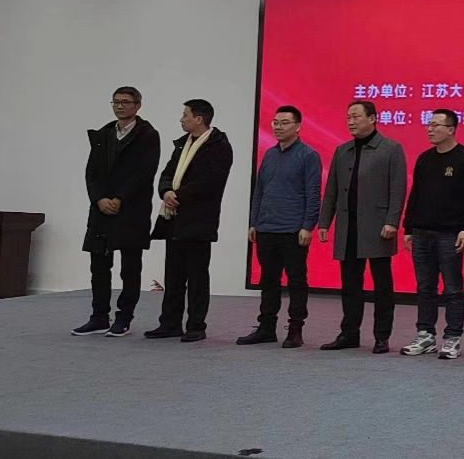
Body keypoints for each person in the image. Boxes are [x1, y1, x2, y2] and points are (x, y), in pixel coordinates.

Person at [317, 101, 407, 353]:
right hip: (348, 226)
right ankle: (349, 333)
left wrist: (392, 221)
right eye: (348, 117)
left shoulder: (390, 149)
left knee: (382, 285)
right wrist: (325, 222)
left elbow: (398, 189)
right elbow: (331, 190)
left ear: (373, 118)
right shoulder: (342, 150)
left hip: (378, 226)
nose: (351, 121)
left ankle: (382, 336)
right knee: (350, 284)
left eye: (356, 116)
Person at [72, 86, 161, 338]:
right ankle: (99, 316)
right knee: (99, 265)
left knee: (130, 267)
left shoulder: (148, 135)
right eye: (116, 102)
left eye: (125, 102)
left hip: (132, 209)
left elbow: (145, 172)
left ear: (137, 105)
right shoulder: (103, 134)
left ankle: (124, 318)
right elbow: (91, 173)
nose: (120, 106)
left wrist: (120, 198)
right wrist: (99, 198)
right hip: (101, 210)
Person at [144, 99, 234, 343]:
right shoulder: (183, 143)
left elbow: (211, 182)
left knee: (197, 277)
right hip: (174, 219)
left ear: (199, 119)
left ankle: (196, 325)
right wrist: (166, 191)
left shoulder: (219, 146)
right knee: (173, 275)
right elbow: (167, 173)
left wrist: (178, 195)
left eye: (185, 115)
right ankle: (170, 323)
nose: (181, 119)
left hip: (199, 220)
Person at [399, 109, 464, 360]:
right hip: (421, 232)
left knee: (453, 288)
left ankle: (452, 337)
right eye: (429, 124)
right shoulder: (425, 158)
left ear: (451, 129)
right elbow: (415, 195)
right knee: (425, 287)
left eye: (436, 125)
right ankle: (425, 335)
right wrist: (408, 228)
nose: (430, 129)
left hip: (449, 234)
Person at [237, 105, 321, 349]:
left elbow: (313, 194)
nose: (278, 127)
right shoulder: (270, 154)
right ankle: (266, 327)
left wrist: (307, 226)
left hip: (293, 230)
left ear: (298, 126)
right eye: (275, 122)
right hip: (266, 228)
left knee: (296, 281)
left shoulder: (308, 155)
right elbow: (260, 190)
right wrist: (254, 222)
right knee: (268, 280)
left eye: (284, 123)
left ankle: (295, 329)